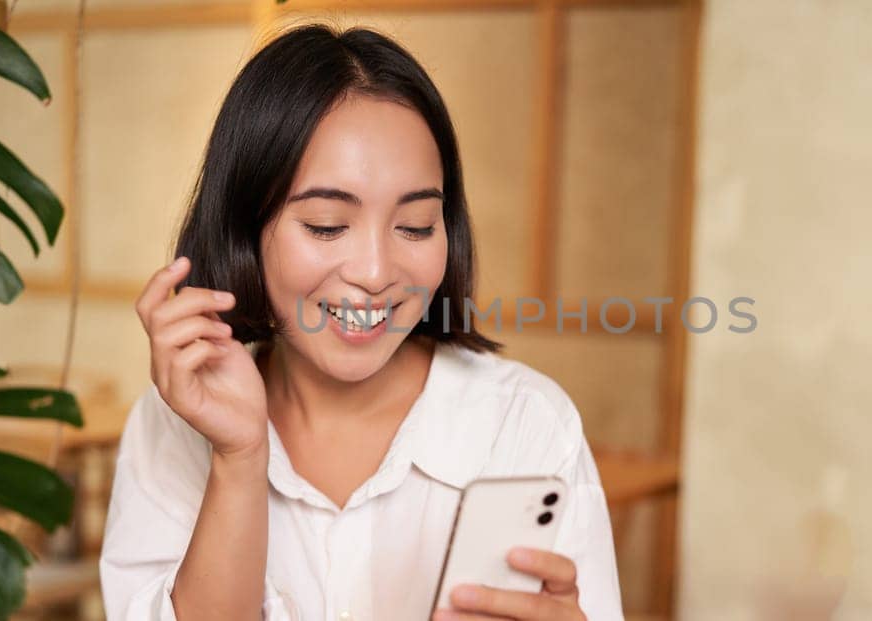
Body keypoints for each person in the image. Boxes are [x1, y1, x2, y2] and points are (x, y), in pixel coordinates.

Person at [98, 24, 623, 620]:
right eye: (326, 224)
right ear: (246, 228)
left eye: (417, 225)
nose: (375, 272)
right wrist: (240, 457)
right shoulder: (174, 424)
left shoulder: (523, 423)